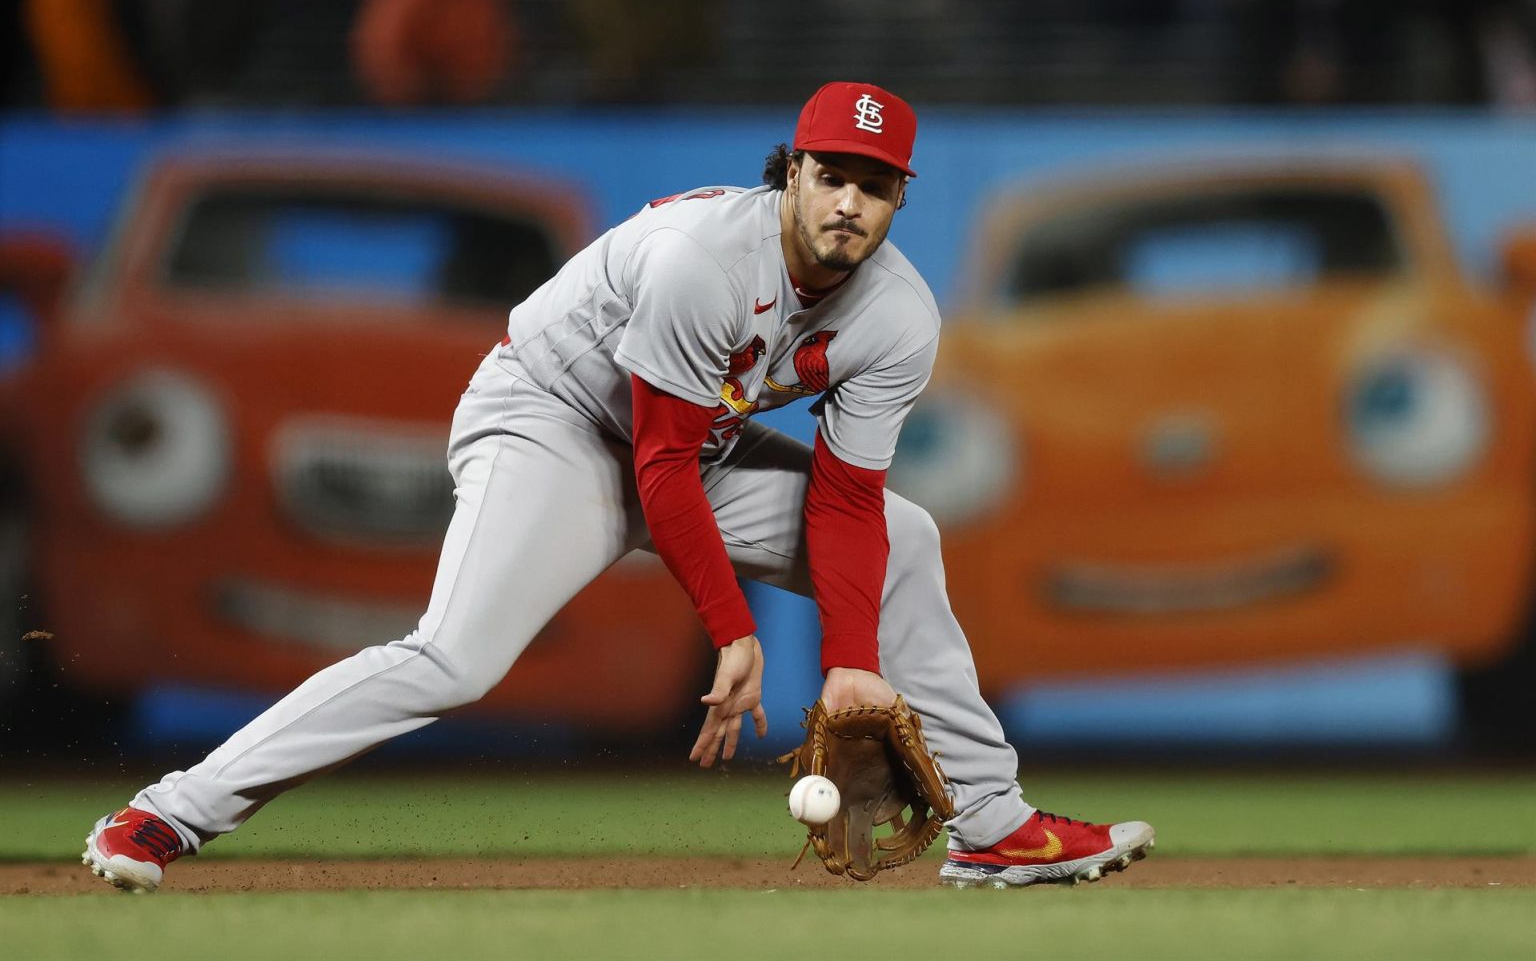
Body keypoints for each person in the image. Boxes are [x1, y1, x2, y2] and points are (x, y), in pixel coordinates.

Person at [83, 81, 1154, 893]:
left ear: (898, 200)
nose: (849, 202)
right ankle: (166, 814)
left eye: (874, 186)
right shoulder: (705, 259)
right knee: (454, 658)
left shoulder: (898, 318)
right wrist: (732, 630)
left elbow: (845, 500)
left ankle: (991, 824)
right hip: (551, 423)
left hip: (694, 447)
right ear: (792, 173)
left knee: (909, 537)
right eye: (831, 174)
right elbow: (655, 464)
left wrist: (849, 666)